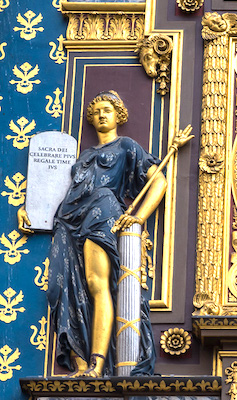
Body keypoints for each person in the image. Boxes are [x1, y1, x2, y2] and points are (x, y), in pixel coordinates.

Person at [18, 90, 165, 377]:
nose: (101, 115)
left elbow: (158, 181)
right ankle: (80, 362)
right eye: (96, 111)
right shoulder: (83, 155)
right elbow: (53, 195)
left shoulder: (126, 146)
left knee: (96, 283)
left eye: (107, 110)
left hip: (101, 212)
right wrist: (30, 212)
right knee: (63, 289)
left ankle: (97, 363)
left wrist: (136, 218)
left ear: (118, 116)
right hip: (68, 222)